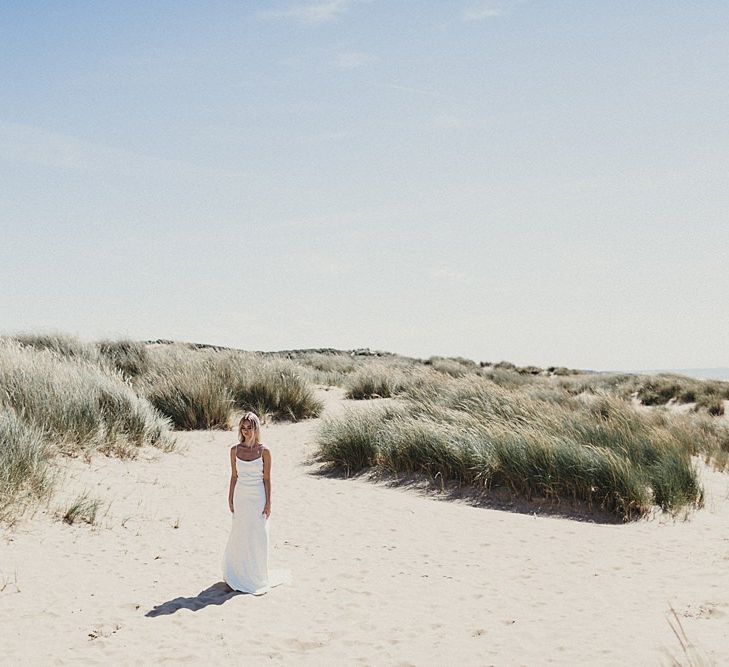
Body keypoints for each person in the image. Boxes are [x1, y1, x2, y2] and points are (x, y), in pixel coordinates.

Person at [222, 411, 273, 595]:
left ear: (256, 428)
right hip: (241, 496)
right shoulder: (234, 450)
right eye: (243, 428)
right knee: (240, 532)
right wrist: (230, 497)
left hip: (258, 496)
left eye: (249, 428)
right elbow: (234, 476)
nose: (245, 431)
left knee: (258, 534)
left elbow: (267, 478)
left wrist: (268, 503)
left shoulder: (264, 451)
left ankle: (257, 574)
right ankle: (238, 573)